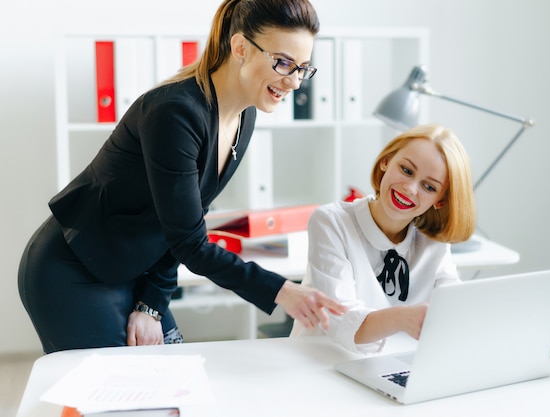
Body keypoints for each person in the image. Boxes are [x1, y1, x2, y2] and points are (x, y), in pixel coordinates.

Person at [18, 0, 346, 354]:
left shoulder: (242, 118)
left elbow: (185, 221)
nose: (294, 82)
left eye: (303, 68)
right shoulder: (175, 113)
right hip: (73, 268)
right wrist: (283, 291)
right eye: (283, 63)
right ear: (240, 48)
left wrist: (152, 304)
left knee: (169, 384)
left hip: (132, 267)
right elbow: (190, 242)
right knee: (115, 400)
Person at [290, 124, 550, 370]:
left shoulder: (432, 241)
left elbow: (460, 311)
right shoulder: (331, 221)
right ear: (385, 162)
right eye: (406, 169)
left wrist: (545, 341)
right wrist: (403, 319)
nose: (410, 188)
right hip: (318, 367)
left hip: (388, 370)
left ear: (439, 200)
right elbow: (340, 322)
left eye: (428, 187)